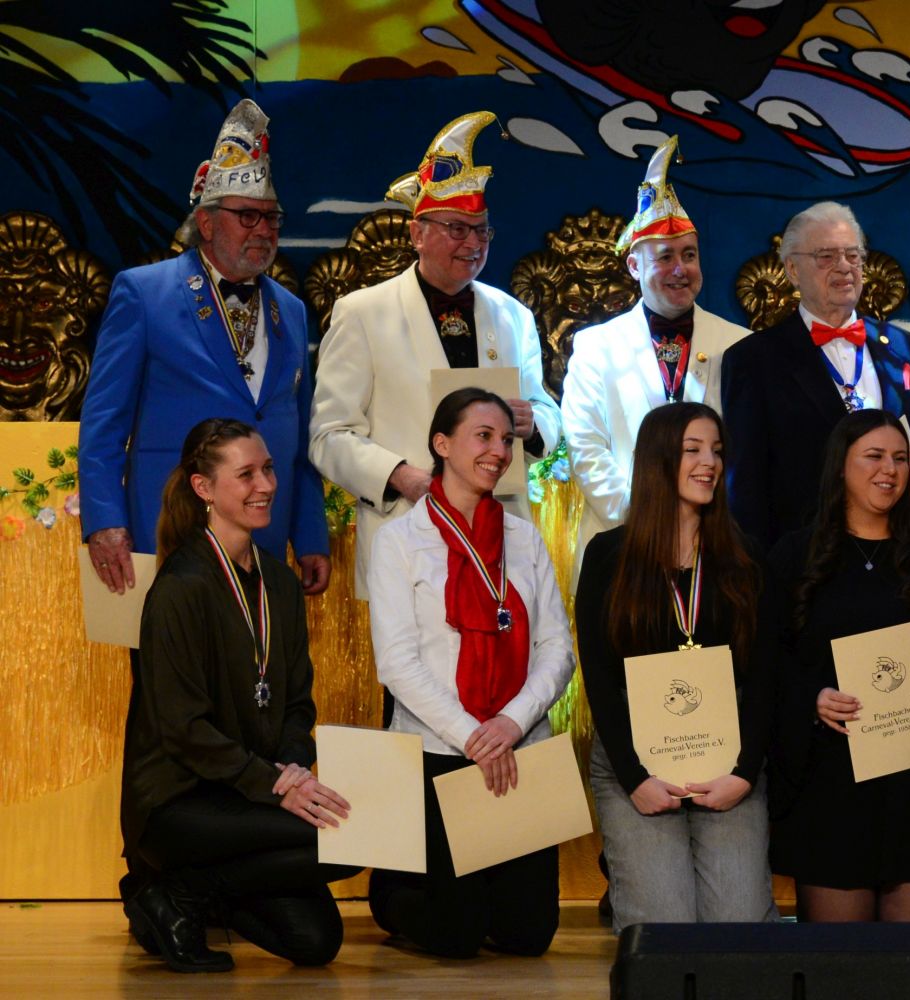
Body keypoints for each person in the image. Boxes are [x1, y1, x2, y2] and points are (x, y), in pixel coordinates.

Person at [123, 418, 357, 973]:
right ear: (203, 488)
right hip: (180, 801)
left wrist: (294, 767)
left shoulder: (279, 582)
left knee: (316, 941)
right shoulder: (180, 587)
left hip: (253, 789)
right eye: (246, 474)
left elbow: (298, 702)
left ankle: (182, 891)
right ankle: (176, 893)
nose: (266, 485)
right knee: (349, 838)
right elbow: (183, 730)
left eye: (269, 469)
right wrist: (274, 785)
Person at [80, 98, 329, 597]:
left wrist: (309, 535)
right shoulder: (143, 293)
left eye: (272, 218)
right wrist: (104, 520)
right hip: (170, 528)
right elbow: (104, 423)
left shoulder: (292, 309)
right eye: (248, 217)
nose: (264, 231)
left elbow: (299, 440)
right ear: (208, 223)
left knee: (260, 650)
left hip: (264, 536)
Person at [310, 111, 562, 600]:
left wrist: (534, 424)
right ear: (416, 234)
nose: (473, 244)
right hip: (409, 539)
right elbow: (329, 435)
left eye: (481, 231)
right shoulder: (363, 313)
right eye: (456, 229)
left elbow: (547, 411)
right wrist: (399, 476)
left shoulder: (512, 315)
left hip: (501, 542)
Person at [760, 409, 910, 922]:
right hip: (830, 784)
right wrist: (811, 698)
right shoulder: (794, 556)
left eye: (898, 458)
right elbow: (766, 660)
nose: (889, 470)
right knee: (839, 957)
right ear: (840, 466)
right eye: (873, 456)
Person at [364, 388, 576, 958]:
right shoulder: (398, 542)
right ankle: (390, 893)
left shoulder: (524, 538)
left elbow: (558, 648)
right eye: (483, 436)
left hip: (519, 745)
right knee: (456, 933)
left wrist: (510, 723)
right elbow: (397, 663)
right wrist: (473, 736)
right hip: (440, 749)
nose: (499, 452)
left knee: (527, 937)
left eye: (505, 440)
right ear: (442, 444)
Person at [575, 402, 777, 931]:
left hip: (729, 762)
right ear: (657, 459)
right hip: (637, 764)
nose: (709, 462)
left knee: (739, 929)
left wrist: (744, 773)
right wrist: (635, 777)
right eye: (693, 449)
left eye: (716, 450)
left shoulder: (745, 557)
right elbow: (600, 676)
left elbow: (764, 675)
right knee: (664, 931)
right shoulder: (608, 556)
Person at [563, 137, 750, 581]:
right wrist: (648, 522)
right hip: (623, 546)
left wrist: (708, 526)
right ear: (634, 266)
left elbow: (748, 453)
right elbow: (586, 450)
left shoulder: (740, 344)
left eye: (689, 255)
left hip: (717, 550)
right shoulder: (595, 346)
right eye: (665, 257)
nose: (680, 269)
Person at [723, 202, 910, 550]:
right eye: (826, 256)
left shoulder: (904, 347)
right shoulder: (753, 359)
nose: (844, 266)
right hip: (808, 554)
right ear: (792, 269)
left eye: (853, 255)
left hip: (902, 549)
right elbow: (746, 485)